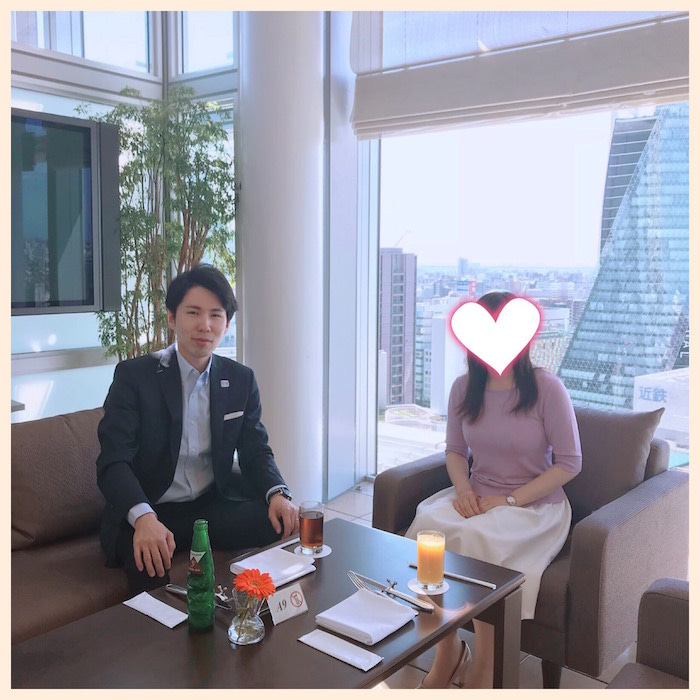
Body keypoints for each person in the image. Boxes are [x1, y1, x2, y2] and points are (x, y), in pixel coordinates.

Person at [406, 290, 582, 689]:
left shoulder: (547, 388)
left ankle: (485, 664)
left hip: (534, 505)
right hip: (479, 495)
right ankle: (448, 650)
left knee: (479, 540)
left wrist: (508, 500)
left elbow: (570, 463)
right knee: (426, 529)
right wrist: (463, 491)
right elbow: (455, 451)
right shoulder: (464, 387)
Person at [96, 264, 299, 594]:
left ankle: (255, 615)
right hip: (152, 509)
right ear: (172, 318)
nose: (205, 325)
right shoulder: (135, 377)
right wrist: (143, 518)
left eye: (215, 315)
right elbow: (113, 462)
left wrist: (278, 493)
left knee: (281, 524)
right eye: (193, 312)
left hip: (209, 507)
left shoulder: (240, 379)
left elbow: (255, 449)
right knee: (150, 563)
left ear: (226, 324)